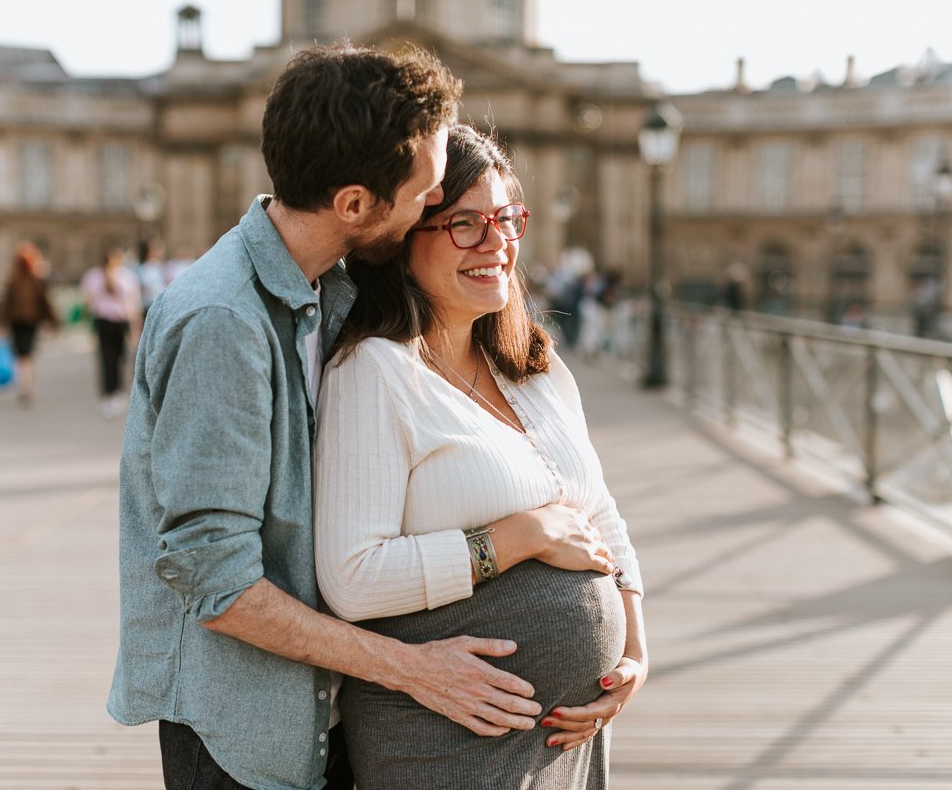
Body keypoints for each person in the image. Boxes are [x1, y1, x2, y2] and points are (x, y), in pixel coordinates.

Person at [109, 44, 560, 790]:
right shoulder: (222, 320)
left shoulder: (331, 290)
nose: (434, 207)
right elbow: (216, 582)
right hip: (244, 731)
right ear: (355, 204)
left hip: (326, 706)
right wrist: (414, 670)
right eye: (426, 197)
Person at [314, 124, 647, 788]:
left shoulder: (535, 368)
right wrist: (514, 537)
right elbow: (350, 577)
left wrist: (634, 648)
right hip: (446, 739)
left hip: (564, 741)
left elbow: (599, 514)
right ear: (402, 241)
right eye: (465, 224)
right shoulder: (376, 372)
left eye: (505, 218)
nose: (497, 243)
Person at [80, 246, 140, 418]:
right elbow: (133, 302)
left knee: (110, 357)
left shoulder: (94, 276)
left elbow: (87, 298)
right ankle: (115, 392)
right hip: (117, 320)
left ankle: (110, 393)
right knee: (116, 357)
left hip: (106, 320)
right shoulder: (126, 276)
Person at [0, 241, 59, 405]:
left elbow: (5, 304)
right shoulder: (36, 279)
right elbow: (45, 302)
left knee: (20, 355)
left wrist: (2, 324)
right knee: (29, 354)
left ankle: (23, 385)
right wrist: (53, 322)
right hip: (32, 320)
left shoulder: (13, 280)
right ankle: (27, 384)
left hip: (16, 321)